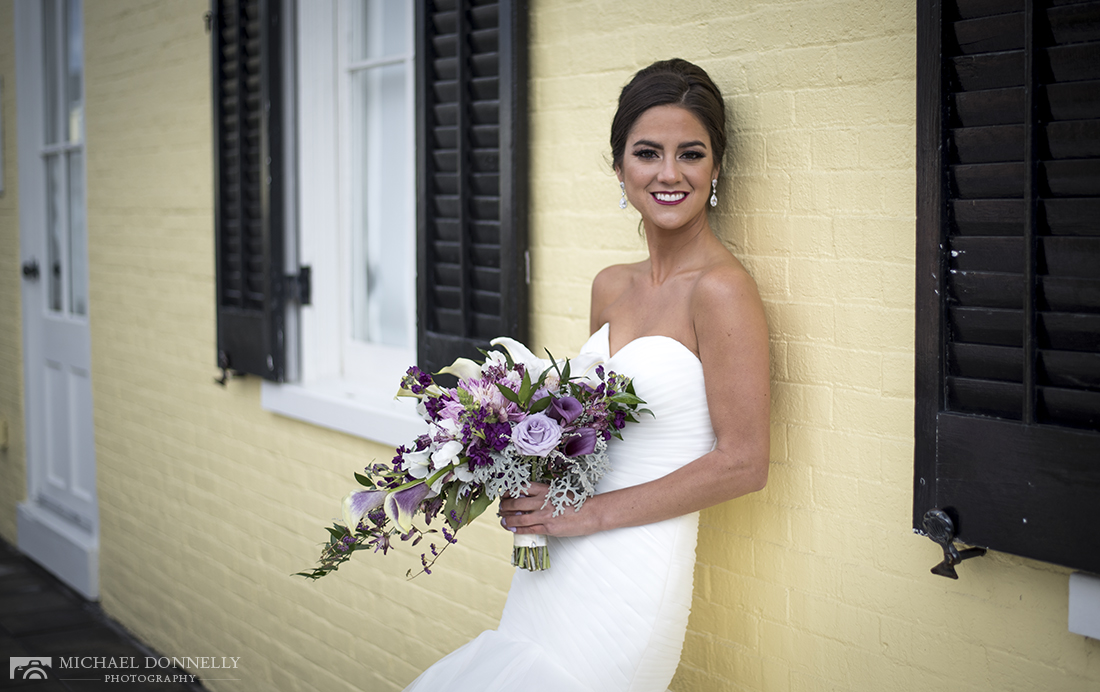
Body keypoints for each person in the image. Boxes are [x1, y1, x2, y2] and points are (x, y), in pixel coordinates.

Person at [403, 58, 770, 692]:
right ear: (619, 166)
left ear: (717, 169)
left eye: (692, 153)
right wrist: (513, 462)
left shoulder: (722, 291)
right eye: (647, 153)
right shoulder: (610, 286)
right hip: (555, 563)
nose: (669, 174)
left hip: (631, 571)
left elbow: (744, 462)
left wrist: (586, 514)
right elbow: (588, 429)